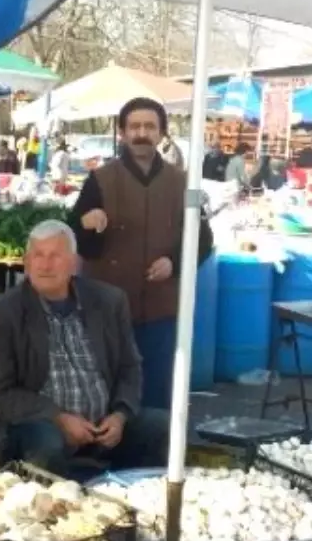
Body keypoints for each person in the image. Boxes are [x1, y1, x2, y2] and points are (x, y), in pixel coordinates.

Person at [0, 220, 170, 476]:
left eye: (55, 255)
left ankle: (137, 501)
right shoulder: (3, 315)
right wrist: (58, 417)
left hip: (104, 426)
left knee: (166, 428)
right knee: (46, 444)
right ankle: (56, 509)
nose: (45, 265)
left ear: (74, 262)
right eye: (38, 255)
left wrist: (120, 415)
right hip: (42, 425)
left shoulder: (109, 302)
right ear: (27, 261)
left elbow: (129, 367)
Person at [67, 97, 213, 410]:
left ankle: (153, 458)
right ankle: (105, 458)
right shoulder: (100, 180)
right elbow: (76, 239)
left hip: (161, 310)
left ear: (162, 133)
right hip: (106, 309)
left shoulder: (183, 182)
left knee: (156, 394)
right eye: (134, 126)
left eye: (149, 126)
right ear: (122, 132)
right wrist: (86, 224)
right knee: (106, 394)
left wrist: (173, 263)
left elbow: (203, 239)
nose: (141, 133)